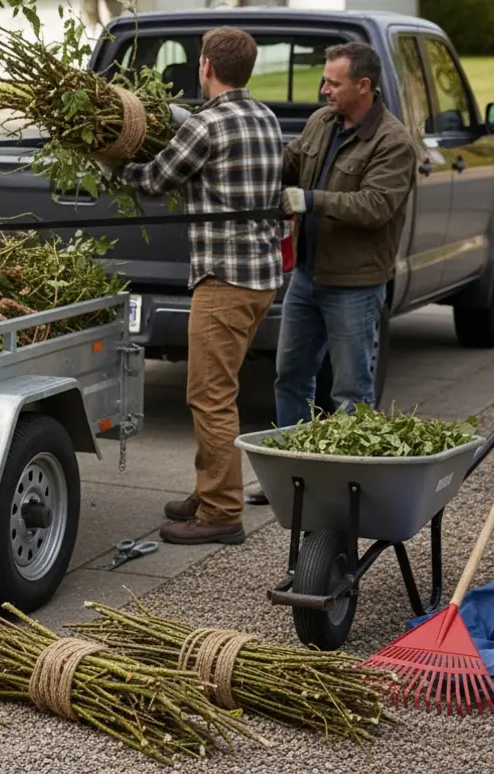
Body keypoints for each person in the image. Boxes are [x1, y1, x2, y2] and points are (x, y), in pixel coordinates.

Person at [97, 26, 285, 545]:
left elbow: (156, 179)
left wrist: (111, 163)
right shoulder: (264, 118)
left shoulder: (209, 126)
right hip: (261, 279)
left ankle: (222, 513)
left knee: (209, 396)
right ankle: (208, 491)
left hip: (225, 281)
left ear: (205, 67)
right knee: (216, 391)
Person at [245, 42, 419, 506]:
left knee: (350, 391)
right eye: (324, 80)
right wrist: (252, 154)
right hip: (306, 277)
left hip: (355, 286)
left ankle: (346, 489)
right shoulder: (323, 122)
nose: (324, 90)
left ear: (363, 86)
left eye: (333, 83)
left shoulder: (393, 142)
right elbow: (290, 164)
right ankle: (288, 476)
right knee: (290, 376)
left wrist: (310, 200)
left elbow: (376, 206)